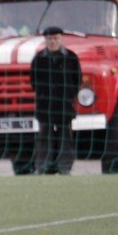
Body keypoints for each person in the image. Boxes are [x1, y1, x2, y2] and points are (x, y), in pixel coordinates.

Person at [29, 26, 81, 175]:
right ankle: (43, 166)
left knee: (66, 136)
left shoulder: (71, 57)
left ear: (61, 39)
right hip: (45, 105)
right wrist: (42, 94)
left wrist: (69, 95)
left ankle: (65, 167)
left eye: (56, 38)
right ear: (45, 40)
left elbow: (77, 79)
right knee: (44, 136)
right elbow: (33, 81)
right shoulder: (38, 59)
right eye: (50, 39)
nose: (53, 41)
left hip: (65, 104)